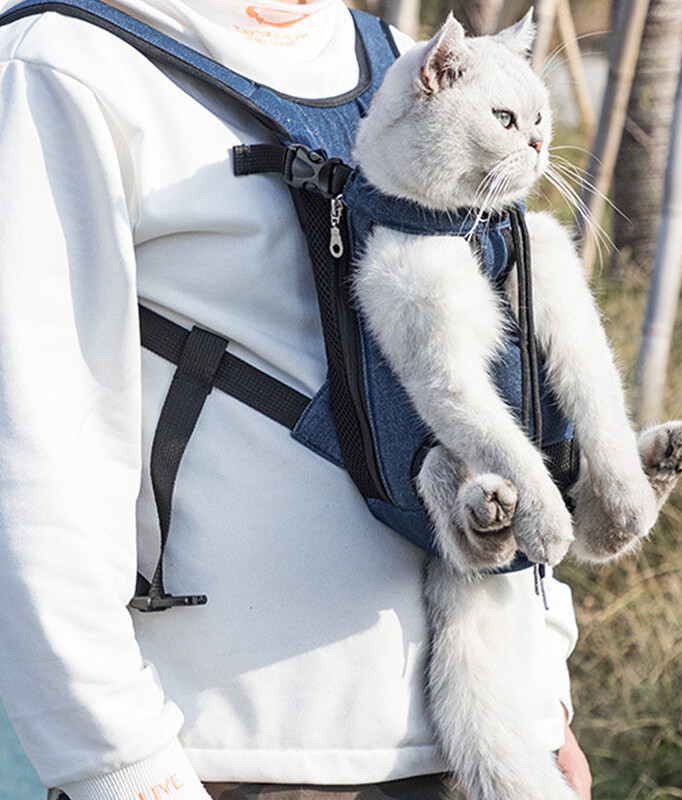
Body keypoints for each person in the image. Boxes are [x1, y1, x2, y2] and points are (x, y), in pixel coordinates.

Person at [0, 0, 592, 798]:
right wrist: (124, 770)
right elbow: (34, 457)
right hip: (235, 758)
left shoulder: (405, 61)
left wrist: (545, 695)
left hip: (488, 748)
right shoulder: (64, 64)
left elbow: (507, 394)